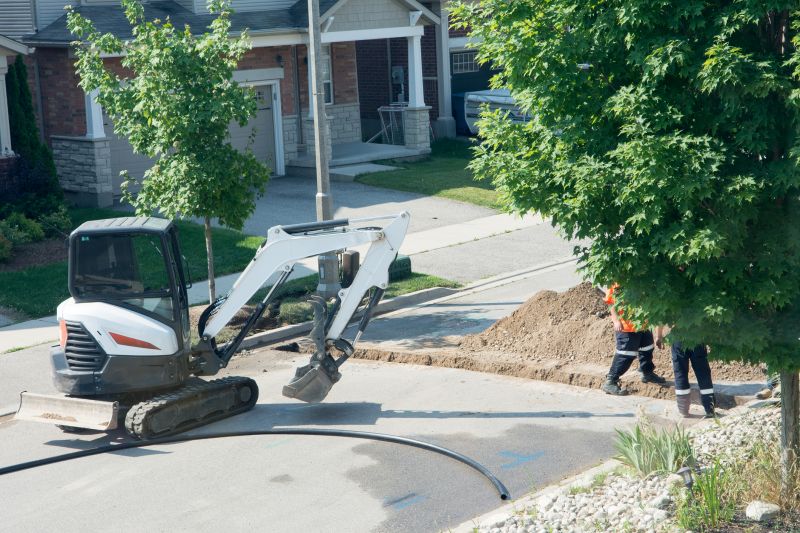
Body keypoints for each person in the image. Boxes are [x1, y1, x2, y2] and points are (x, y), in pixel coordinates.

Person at [601, 283, 666, 396]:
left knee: (647, 348)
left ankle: (647, 373)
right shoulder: (618, 281)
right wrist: (616, 321)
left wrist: (659, 335)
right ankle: (610, 381)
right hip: (627, 327)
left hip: (643, 325)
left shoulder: (646, 278)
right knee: (625, 355)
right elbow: (611, 303)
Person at [655, 327, 715, 418]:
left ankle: (683, 410)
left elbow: (660, 319)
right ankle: (710, 408)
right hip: (697, 337)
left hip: (678, 337)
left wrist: (659, 336)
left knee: (680, 372)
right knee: (703, 372)